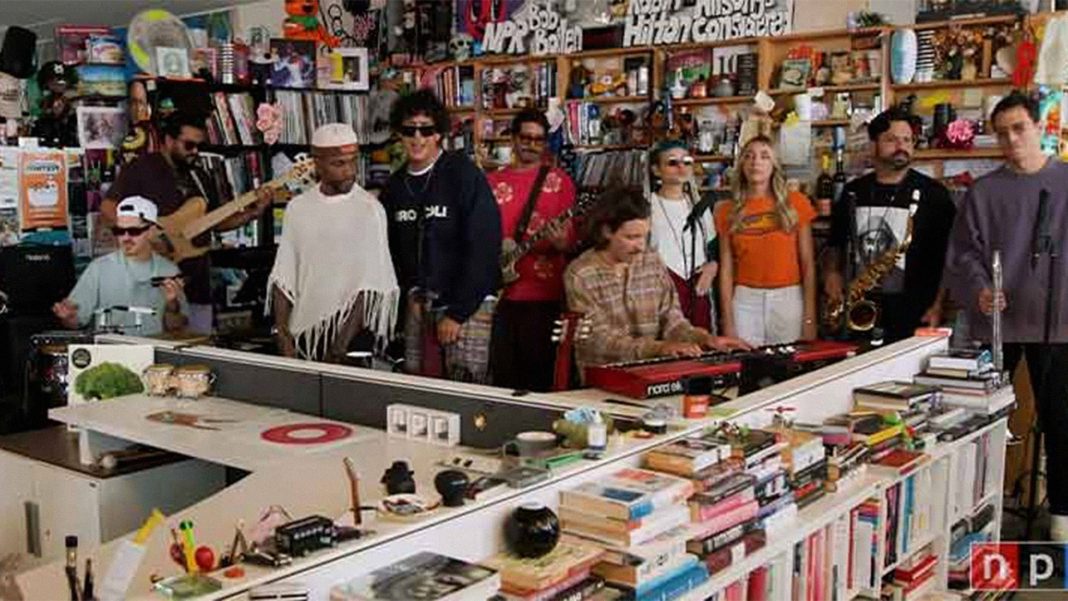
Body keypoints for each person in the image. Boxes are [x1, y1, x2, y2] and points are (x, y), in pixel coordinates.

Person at [944, 92, 1068, 540]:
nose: (1011, 140)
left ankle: (1063, 520)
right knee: (981, 418)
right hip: (997, 325)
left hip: (1059, 326)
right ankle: (973, 510)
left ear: (1039, 127)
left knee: (1062, 422)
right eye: (1002, 133)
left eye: (1019, 128)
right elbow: (963, 253)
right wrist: (979, 290)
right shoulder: (984, 191)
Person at [101, 111, 270, 334]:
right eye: (188, 145)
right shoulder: (142, 168)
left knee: (197, 351)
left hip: (197, 282)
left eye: (199, 145)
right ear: (169, 140)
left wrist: (252, 213)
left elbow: (215, 222)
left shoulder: (201, 176)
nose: (195, 151)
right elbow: (108, 208)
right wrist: (144, 240)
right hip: (152, 283)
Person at [380, 90, 502, 383]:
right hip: (418, 304)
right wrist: (408, 293)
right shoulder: (395, 187)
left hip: (467, 304)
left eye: (427, 129)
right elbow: (390, 251)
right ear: (399, 134)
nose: (418, 138)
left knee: (465, 389)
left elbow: (484, 247)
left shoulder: (464, 175)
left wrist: (458, 313)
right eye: (410, 130)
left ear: (439, 135)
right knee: (417, 386)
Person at [564, 187, 748, 373]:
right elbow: (598, 340)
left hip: (653, 372)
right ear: (606, 232)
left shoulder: (652, 261)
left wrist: (704, 339)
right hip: (602, 380)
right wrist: (658, 348)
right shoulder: (581, 274)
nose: (641, 246)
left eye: (644, 236)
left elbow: (672, 321)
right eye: (632, 237)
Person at [267, 123, 398, 362]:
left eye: (353, 161)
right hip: (303, 336)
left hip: (351, 340)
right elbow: (284, 274)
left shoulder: (370, 210)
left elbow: (370, 286)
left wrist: (339, 346)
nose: (349, 171)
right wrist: (283, 334)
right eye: (338, 163)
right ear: (317, 162)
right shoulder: (298, 208)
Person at [823, 108, 955, 342]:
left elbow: (949, 257)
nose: (901, 146)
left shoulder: (934, 194)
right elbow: (836, 243)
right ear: (873, 145)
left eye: (907, 140)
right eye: (892, 139)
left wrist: (938, 306)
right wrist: (832, 275)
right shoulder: (854, 191)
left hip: (914, 313)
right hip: (858, 310)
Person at [486, 109, 577, 391]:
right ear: (513, 139)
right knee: (504, 379)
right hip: (501, 295)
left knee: (541, 380)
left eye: (539, 140)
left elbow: (573, 241)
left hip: (545, 296)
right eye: (526, 138)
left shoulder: (559, 181)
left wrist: (562, 242)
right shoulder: (491, 182)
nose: (532, 145)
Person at [715, 135, 817, 346]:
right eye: (749, 156)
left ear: (774, 165)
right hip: (745, 299)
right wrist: (728, 321)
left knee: (789, 365)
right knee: (747, 365)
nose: (756, 162)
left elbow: (807, 263)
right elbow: (726, 270)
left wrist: (809, 316)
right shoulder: (726, 211)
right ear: (741, 164)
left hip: (789, 297)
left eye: (764, 156)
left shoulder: (796, 203)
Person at [53, 196, 187, 335]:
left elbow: (178, 329)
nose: (126, 238)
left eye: (134, 231)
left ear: (151, 231)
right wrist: (68, 316)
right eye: (120, 231)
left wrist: (172, 304)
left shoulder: (169, 270)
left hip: (152, 351)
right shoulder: (99, 268)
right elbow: (75, 322)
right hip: (110, 352)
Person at [648, 139, 717, 331]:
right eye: (672, 162)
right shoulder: (647, 207)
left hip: (697, 289)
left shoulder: (699, 205)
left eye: (686, 161)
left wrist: (712, 268)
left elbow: (712, 250)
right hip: (661, 290)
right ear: (656, 170)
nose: (681, 167)